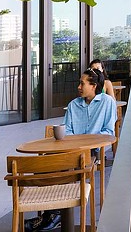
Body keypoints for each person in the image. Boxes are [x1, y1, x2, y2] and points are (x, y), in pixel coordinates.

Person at [28, 69, 117, 232]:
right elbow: (67, 131)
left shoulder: (107, 102)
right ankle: (52, 214)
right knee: (45, 168)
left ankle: (53, 216)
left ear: (93, 86)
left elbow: (108, 132)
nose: (78, 87)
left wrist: (86, 143)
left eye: (82, 83)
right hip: (69, 152)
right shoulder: (73, 105)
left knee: (60, 168)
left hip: (92, 153)